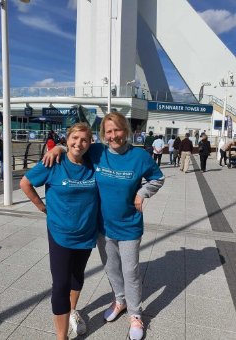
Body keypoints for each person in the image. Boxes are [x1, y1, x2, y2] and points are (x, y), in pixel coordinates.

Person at [43, 112, 165, 340]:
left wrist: (142, 193)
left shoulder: (139, 156)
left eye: (117, 129)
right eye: (108, 131)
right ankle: (119, 300)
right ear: (103, 135)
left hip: (129, 225)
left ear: (126, 131)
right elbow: (75, 147)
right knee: (111, 269)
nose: (113, 135)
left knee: (130, 272)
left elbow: (158, 177)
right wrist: (57, 148)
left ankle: (136, 314)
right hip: (102, 226)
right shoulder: (97, 152)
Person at [20, 123, 99, 340]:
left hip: (86, 232)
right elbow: (25, 182)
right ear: (67, 138)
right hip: (60, 234)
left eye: (84, 140)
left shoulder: (93, 161)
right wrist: (41, 207)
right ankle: (61, 337)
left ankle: (73, 312)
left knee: (77, 277)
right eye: (74, 138)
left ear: (90, 142)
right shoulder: (53, 162)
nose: (79, 143)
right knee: (61, 284)